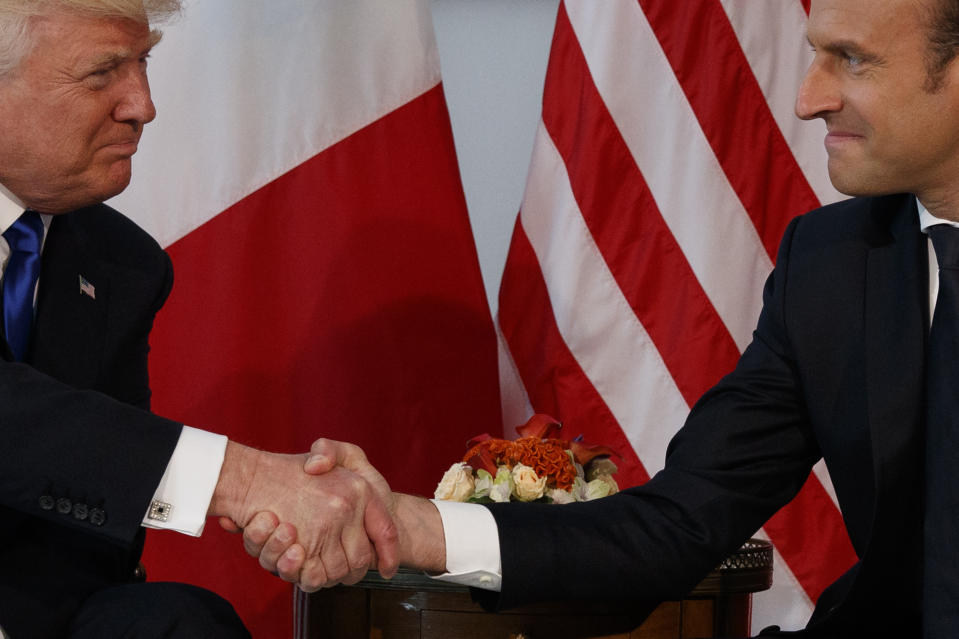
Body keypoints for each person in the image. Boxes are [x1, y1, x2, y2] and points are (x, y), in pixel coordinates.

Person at [250, 0, 959, 635]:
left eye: (853, 60)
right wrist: (407, 524)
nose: (808, 100)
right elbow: (674, 524)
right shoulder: (830, 265)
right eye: (813, 54)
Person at [0, 2, 397, 637]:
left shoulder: (122, 264)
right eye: (103, 73)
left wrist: (307, 507)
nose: (142, 105)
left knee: (178, 622)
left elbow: (89, 531)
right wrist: (242, 480)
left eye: (143, 63)